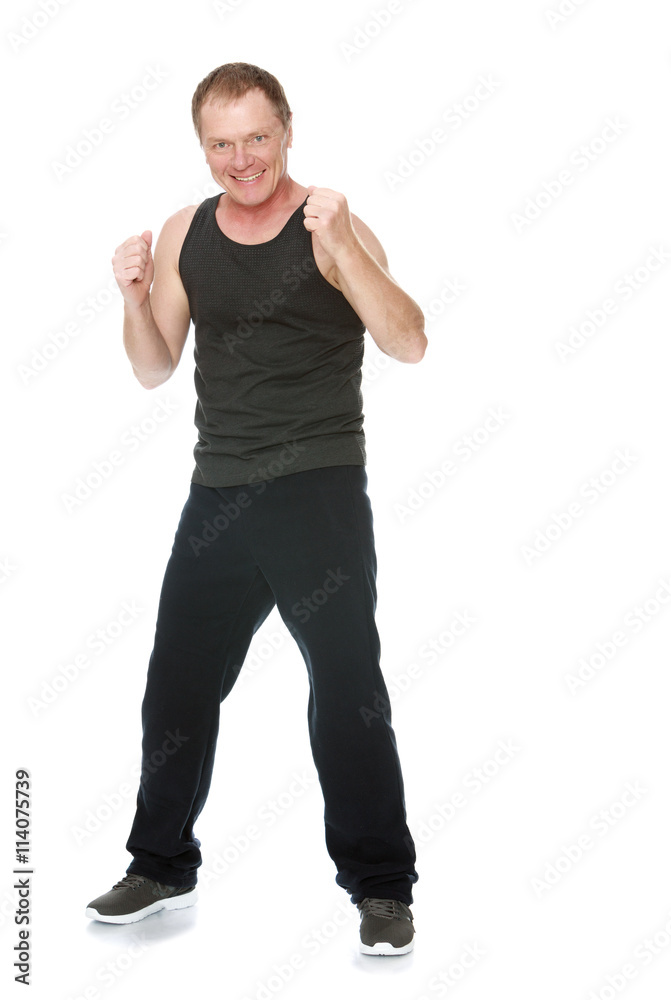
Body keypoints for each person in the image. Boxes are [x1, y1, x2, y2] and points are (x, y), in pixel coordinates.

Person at [85, 62, 427, 956]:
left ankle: (382, 888)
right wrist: (131, 299)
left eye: (257, 137)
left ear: (286, 131)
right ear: (204, 148)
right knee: (177, 688)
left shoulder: (330, 224)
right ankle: (159, 866)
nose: (242, 159)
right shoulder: (182, 233)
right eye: (221, 143)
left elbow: (409, 341)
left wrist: (345, 249)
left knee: (347, 691)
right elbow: (155, 365)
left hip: (316, 483)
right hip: (219, 491)